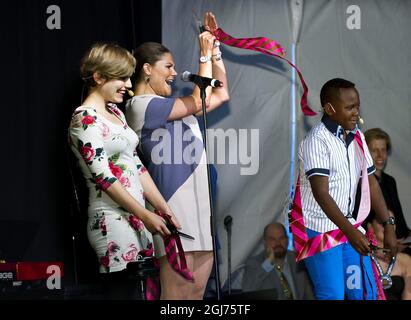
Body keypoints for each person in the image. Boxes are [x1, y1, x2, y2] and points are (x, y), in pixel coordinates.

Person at [125, 12, 229, 300]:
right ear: (146, 69)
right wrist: (203, 54)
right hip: (173, 208)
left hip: (201, 208)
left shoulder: (173, 105)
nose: (173, 73)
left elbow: (219, 96)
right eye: (167, 67)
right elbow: (198, 99)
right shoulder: (140, 105)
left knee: (195, 295)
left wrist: (216, 48)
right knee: (174, 297)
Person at [68, 42, 180, 299]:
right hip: (111, 220)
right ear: (98, 77)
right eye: (122, 78)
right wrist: (145, 214)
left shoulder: (115, 112)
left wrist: (164, 209)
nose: (129, 85)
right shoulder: (83, 118)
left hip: (136, 218)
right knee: (123, 293)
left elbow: (136, 166)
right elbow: (103, 177)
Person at [297, 78, 397, 300]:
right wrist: (351, 233)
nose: (356, 112)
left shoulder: (358, 136)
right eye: (349, 107)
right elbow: (321, 194)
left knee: (361, 292)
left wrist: (389, 225)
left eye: (357, 106)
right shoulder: (317, 140)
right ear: (330, 109)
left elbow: (371, 182)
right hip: (319, 229)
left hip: (347, 227)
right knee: (332, 293)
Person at [364, 128, 411, 255]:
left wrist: (406, 238)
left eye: (383, 150)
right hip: (380, 247)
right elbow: (366, 224)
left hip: (400, 242)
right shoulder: (361, 184)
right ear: (365, 153)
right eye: (374, 150)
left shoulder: (390, 181)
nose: (380, 155)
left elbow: (400, 220)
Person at [242, 222, 315, 300]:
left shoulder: (298, 259)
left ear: (287, 240)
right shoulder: (254, 263)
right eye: (272, 239)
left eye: (281, 238)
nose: (278, 243)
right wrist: (268, 263)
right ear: (264, 242)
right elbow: (247, 290)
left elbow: (310, 293)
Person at [366, 210, 411, 300]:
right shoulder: (361, 259)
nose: (388, 227)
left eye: (392, 222)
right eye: (382, 222)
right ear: (370, 226)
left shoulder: (406, 260)